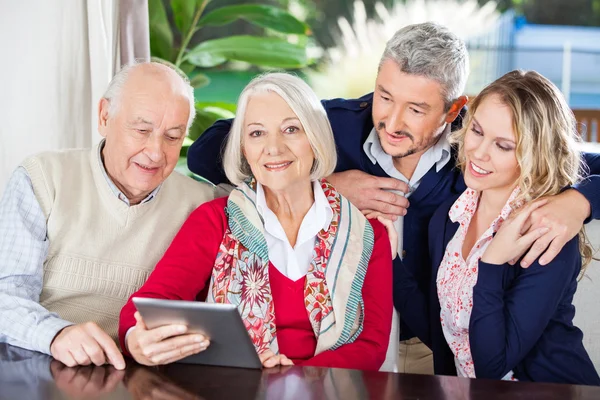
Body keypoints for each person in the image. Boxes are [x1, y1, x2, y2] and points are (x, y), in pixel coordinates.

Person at [185, 22, 600, 374]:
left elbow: (566, 162)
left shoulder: (478, 158)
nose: (391, 121)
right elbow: (207, 152)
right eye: (385, 96)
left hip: (433, 346)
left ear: (455, 110)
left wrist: (579, 201)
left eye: (416, 109)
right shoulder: (331, 128)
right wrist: (321, 183)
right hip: (342, 333)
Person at [119, 72, 394, 371]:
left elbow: (371, 346)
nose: (273, 148)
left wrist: (291, 378)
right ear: (243, 149)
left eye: (291, 129)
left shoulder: (367, 233)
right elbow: (153, 303)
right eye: (256, 133)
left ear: (315, 139)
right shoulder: (215, 220)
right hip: (233, 387)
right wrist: (136, 337)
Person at [0, 62, 215, 370]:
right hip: (39, 362)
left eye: (172, 136)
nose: (155, 152)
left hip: (141, 373)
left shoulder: (202, 205)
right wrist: (56, 334)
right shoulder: (42, 178)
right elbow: (5, 296)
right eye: (141, 130)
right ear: (104, 117)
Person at [400, 70, 600, 385]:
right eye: (476, 131)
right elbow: (447, 333)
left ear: (534, 154)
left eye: (503, 146)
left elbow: (490, 367)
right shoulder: (448, 219)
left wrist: (491, 262)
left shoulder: (546, 231)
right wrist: (385, 257)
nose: (479, 152)